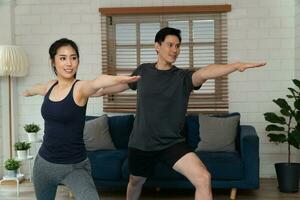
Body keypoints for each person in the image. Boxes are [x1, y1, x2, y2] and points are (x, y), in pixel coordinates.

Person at [94, 27, 266, 200]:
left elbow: (204, 72)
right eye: (170, 45)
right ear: (157, 46)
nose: (175, 50)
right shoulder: (143, 71)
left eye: (177, 46)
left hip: (171, 143)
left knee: (203, 178)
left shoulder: (183, 77)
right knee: (135, 182)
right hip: (142, 143)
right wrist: (97, 91)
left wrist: (235, 66)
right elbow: (122, 85)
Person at [23, 38, 140, 200]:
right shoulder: (50, 86)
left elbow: (97, 82)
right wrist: (28, 91)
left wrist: (121, 79)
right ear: (53, 62)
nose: (69, 63)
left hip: (74, 167)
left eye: (73, 57)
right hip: (43, 165)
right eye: (63, 58)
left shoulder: (80, 88)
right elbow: (38, 88)